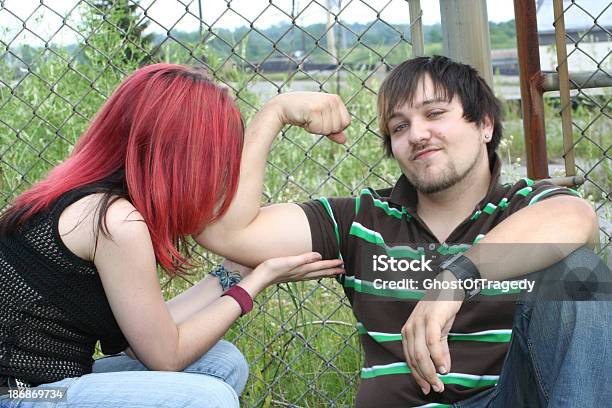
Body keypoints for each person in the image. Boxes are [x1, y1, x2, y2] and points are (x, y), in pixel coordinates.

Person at [196, 55, 611, 407]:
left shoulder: (521, 207)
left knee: (580, 275)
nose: (417, 135)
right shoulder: (363, 220)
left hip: (509, 397)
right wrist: (275, 112)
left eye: (434, 114)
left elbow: (577, 219)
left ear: (485, 124)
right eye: (399, 127)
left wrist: (454, 280)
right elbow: (227, 233)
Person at [0, 63, 344, 407]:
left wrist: (234, 271)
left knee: (221, 364)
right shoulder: (115, 222)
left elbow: (145, 339)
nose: (223, 175)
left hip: (52, 383)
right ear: (184, 157)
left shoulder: (90, 198)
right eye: (219, 160)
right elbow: (166, 356)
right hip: (20, 393)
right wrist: (254, 284)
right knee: (208, 398)